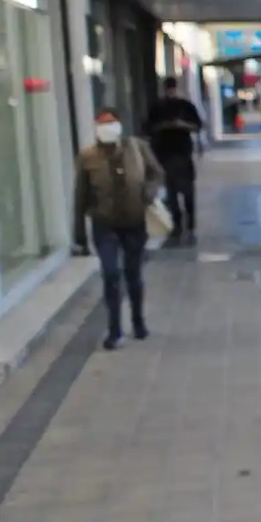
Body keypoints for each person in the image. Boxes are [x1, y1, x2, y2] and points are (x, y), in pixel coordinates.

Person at [73, 109, 164, 350]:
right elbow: (80, 196)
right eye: (102, 124)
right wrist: (79, 233)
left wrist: (149, 191)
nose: (107, 127)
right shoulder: (88, 157)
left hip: (134, 222)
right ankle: (114, 330)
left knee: (133, 274)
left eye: (111, 122)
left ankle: (138, 321)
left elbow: (156, 173)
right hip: (105, 224)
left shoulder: (137, 148)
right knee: (111, 273)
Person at [145, 76, 203, 245]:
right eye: (168, 89)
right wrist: (164, 127)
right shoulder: (158, 108)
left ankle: (190, 226)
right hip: (166, 155)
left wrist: (181, 125)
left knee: (187, 193)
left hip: (182, 155)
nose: (171, 92)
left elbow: (197, 126)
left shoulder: (185, 106)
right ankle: (178, 225)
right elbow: (149, 128)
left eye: (172, 89)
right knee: (172, 194)